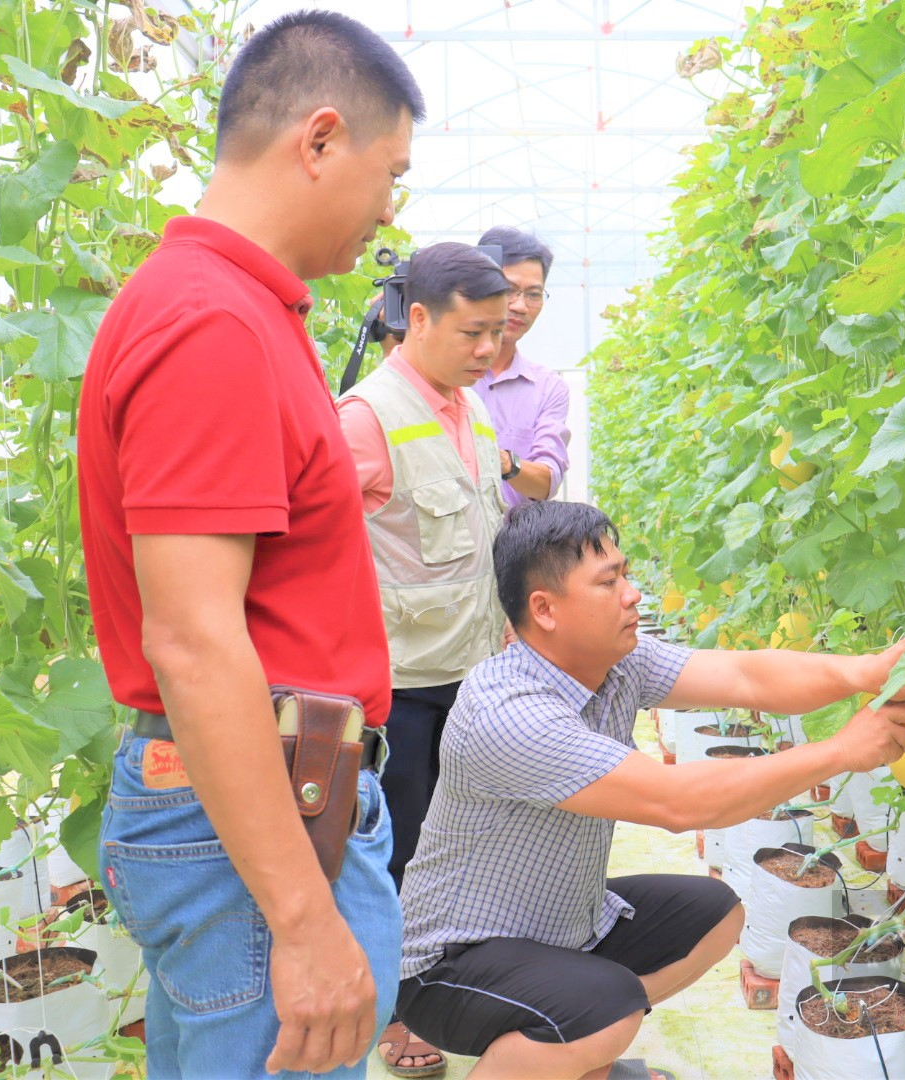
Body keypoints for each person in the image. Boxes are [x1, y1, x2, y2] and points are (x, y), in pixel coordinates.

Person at [76, 12, 422, 1078]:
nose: (388, 210)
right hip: (261, 827)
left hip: (262, 805)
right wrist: (307, 925)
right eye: (389, 172)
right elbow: (191, 640)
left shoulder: (231, 310)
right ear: (320, 140)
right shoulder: (214, 325)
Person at [395, 501, 905, 1080]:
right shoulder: (507, 711)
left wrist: (867, 671)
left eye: (625, 572)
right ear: (545, 610)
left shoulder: (616, 663)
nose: (632, 593)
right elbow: (677, 801)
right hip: (448, 964)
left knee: (716, 916)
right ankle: (566, 1045)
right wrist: (841, 751)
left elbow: (746, 677)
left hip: (558, 927)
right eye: (608, 581)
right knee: (606, 1009)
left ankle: (572, 1054)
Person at [335, 242, 512, 1078]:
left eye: (498, 332)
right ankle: (400, 1016)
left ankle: (451, 989)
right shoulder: (364, 419)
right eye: (474, 332)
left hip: (470, 676)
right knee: (400, 853)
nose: (489, 350)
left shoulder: (472, 409)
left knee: (461, 845)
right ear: (417, 319)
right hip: (400, 688)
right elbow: (319, 558)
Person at [473, 226, 572, 507]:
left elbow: (546, 481)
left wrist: (502, 461)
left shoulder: (548, 388)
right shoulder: (441, 373)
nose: (520, 306)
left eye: (533, 294)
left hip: (513, 549)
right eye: (508, 290)